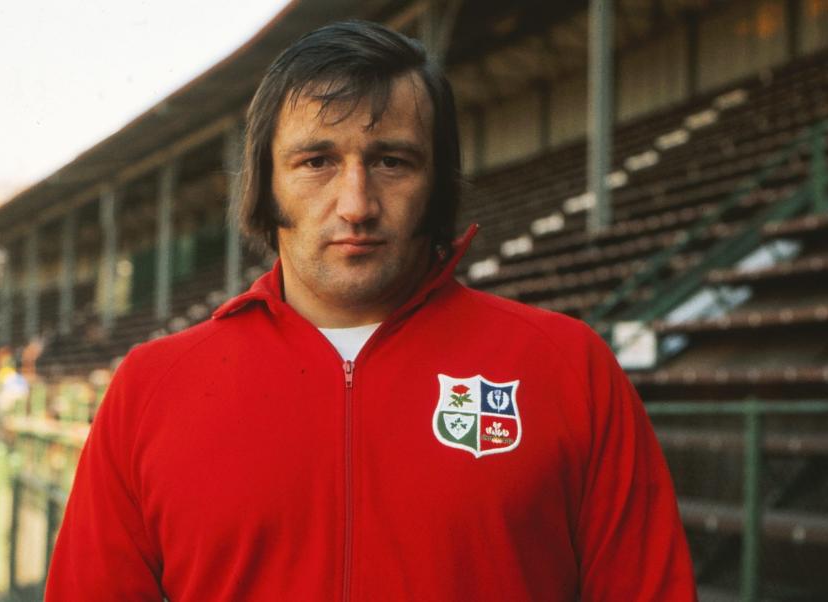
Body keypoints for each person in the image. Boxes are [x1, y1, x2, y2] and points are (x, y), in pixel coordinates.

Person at [46, 20, 696, 601]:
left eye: (391, 160)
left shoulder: (567, 368)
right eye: (316, 161)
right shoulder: (150, 389)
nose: (356, 202)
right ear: (264, 183)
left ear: (438, 182)